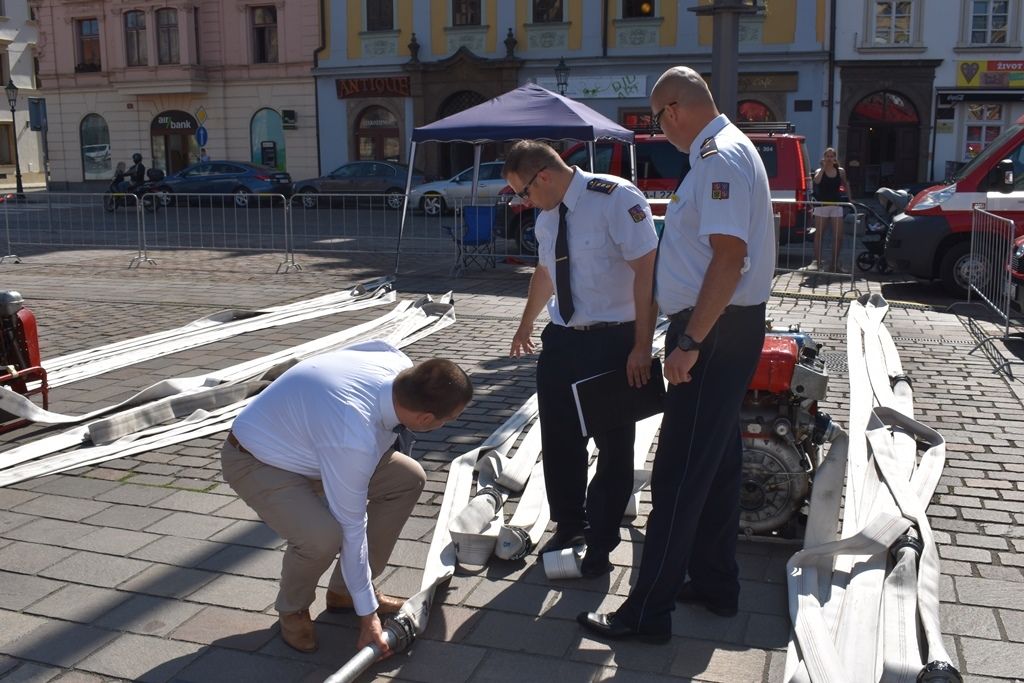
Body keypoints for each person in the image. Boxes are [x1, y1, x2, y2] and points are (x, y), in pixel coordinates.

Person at [578, 65, 774, 643]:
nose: (660, 131)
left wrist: (688, 342)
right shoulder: (727, 152)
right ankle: (716, 585)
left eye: (658, 119)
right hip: (724, 327)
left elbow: (728, 257)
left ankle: (647, 610)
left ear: (673, 109)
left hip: (711, 331)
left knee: (679, 470)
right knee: (717, 464)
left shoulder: (718, 159)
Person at [221, 341, 472, 655]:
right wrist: (369, 619)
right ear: (424, 419)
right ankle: (293, 608)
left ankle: (345, 594)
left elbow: (370, 346)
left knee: (407, 479)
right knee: (322, 537)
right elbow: (352, 528)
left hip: (315, 444)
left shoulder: (394, 360)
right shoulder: (354, 439)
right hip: (257, 459)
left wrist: (361, 597)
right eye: (447, 420)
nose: (446, 425)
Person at [505, 140, 658, 578]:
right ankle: (570, 524)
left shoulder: (617, 199)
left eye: (523, 191)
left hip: (613, 341)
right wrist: (526, 323)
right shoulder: (548, 214)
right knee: (559, 441)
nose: (523, 201)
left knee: (613, 446)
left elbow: (647, 272)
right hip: (563, 342)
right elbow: (546, 271)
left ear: (545, 176)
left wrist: (642, 346)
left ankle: (603, 540)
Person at [811, 147, 849, 272]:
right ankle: (817, 262)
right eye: (827, 156)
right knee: (819, 235)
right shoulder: (818, 171)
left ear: (835, 158)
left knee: (838, 236)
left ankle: (834, 263)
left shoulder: (840, 171)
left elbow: (845, 183)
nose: (829, 158)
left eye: (832, 156)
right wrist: (823, 168)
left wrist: (850, 198)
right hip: (822, 206)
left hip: (836, 205)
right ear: (824, 158)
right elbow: (816, 181)